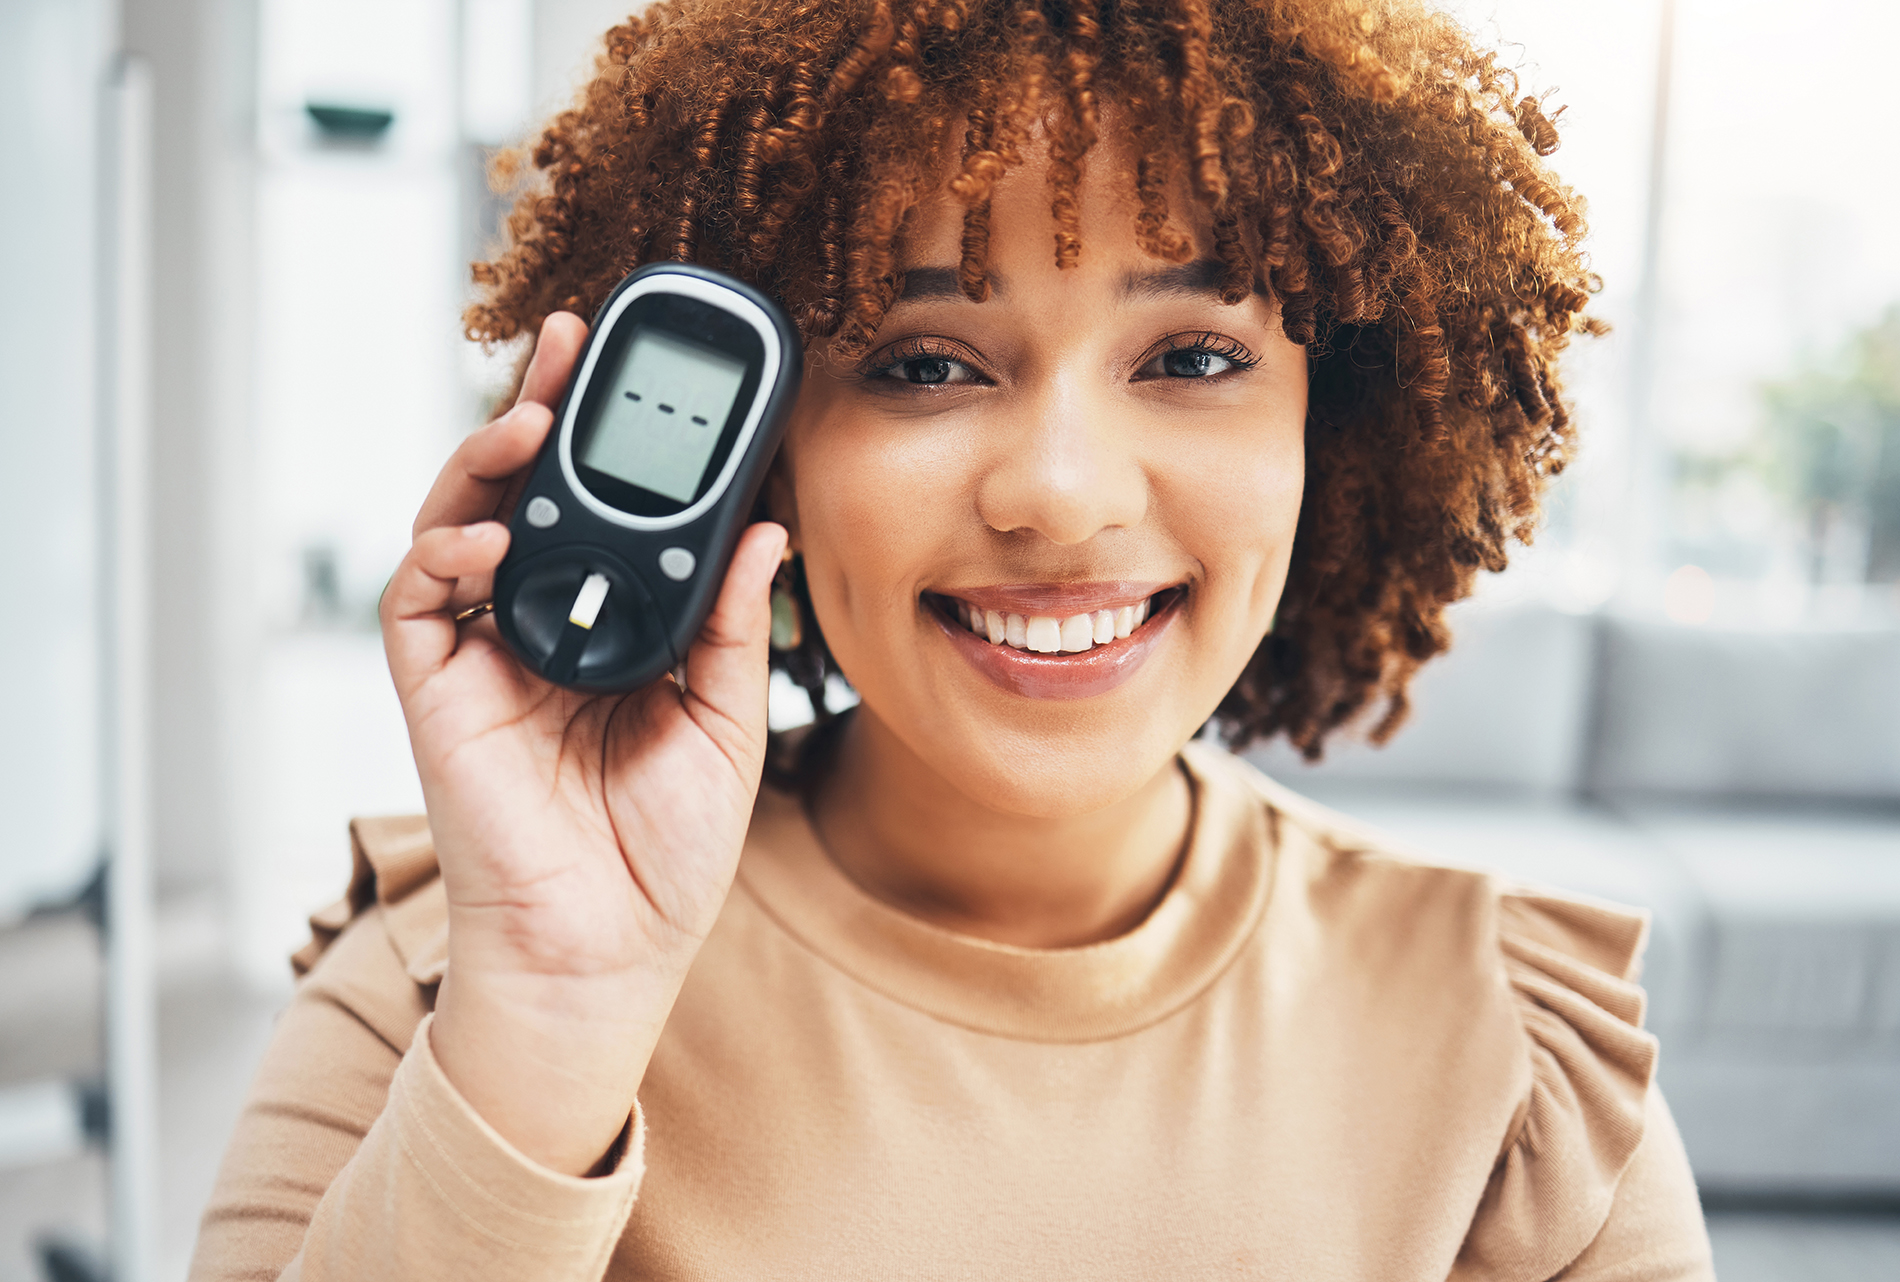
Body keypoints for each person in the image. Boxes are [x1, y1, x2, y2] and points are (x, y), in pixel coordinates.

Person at [191, 0, 1715, 1277]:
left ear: (1341, 415)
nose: (1059, 493)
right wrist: (545, 1022)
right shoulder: (451, 987)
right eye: (924, 362)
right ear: (764, 448)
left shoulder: (1519, 1078)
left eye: (1191, 354)